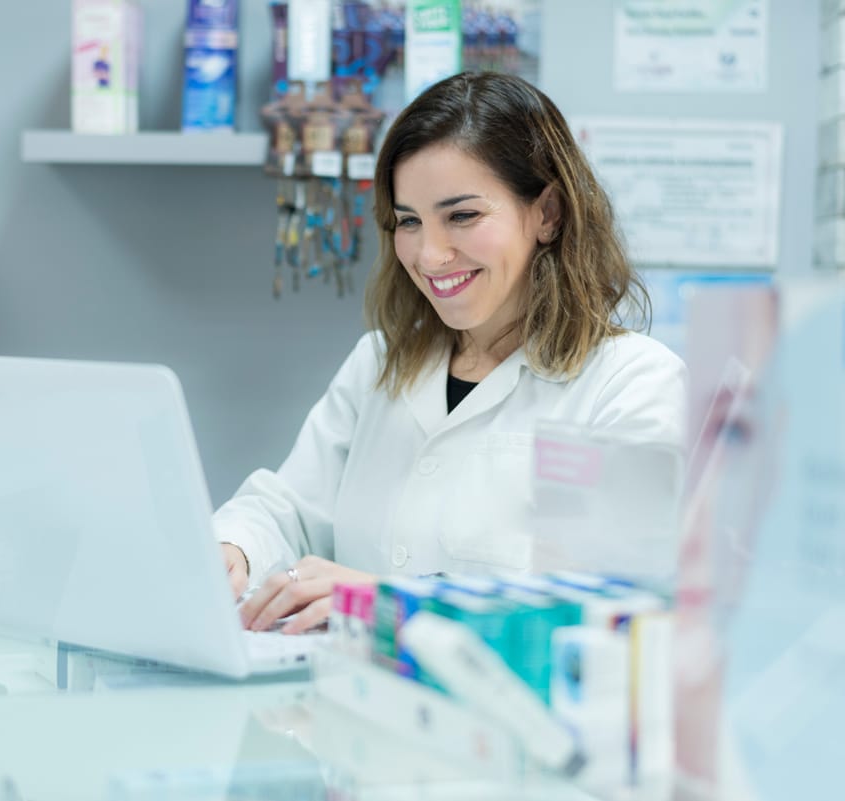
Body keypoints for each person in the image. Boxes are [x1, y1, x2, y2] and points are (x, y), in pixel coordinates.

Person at [216, 71, 687, 635]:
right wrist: (233, 549)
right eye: (409, 221)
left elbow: (611, 610)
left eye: (462, 216)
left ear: (548, 213)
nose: (431, 254)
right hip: (354, 708)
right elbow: (289, 508)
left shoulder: (631, 384)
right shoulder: (379, 363)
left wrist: (386, 602)